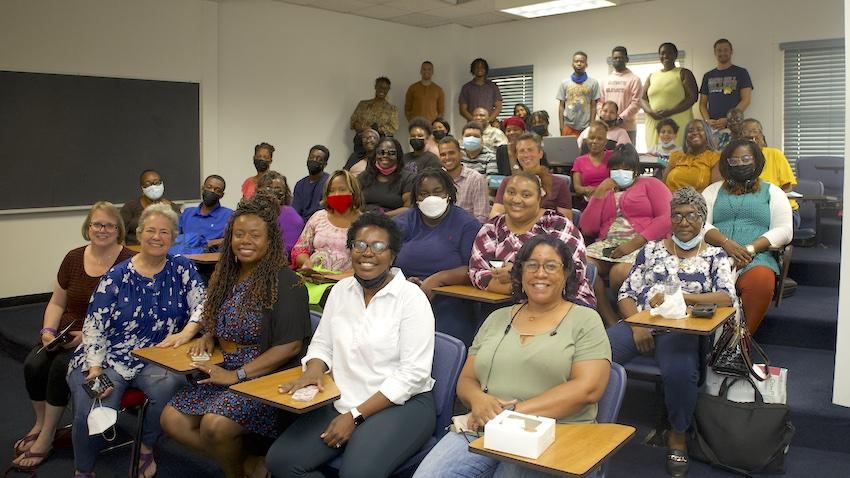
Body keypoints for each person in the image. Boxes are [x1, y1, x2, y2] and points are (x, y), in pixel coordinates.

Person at [413, 235, 612, 478]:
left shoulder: (585, 320)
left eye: (551, 266)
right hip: (484, 424)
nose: (540, 273)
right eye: (532, 265)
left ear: (567, 274)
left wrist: (513, 413)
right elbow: (467, 380)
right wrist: (478, 401)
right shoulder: (497, 318)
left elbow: (588, 389)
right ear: (520, 273)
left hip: (556, 431)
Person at [265, 213, 436, 478]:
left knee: (356, 474)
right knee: (280, 462)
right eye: (359, 245)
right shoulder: (342, 290)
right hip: (343, 395)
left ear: (392, 255)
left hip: (401, 404)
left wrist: (355, 416)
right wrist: (314, 369)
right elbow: (322, 342)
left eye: (378, 246)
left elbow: (413, 374)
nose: (367, 253)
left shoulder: (411, 298)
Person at [162, 193, 311, 478]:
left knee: (214, 426)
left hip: (262, 377)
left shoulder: (287, 283)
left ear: (270, 241)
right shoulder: (227, 275)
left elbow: (290, 346)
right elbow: (221, 319)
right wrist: (210, 335)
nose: (245, 241)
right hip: (224, 368)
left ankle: (234, 474)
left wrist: (237, 375)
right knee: (172, 420)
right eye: (239, 234)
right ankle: (248, 466)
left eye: (255, 235)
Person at [67, 203, 206, 478]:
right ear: (139, 235)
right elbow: (94, 325)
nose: (157, 237)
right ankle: (83, 470)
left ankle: (146, 448)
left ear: (173, 237)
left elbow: (203, 304)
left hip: (157, 355)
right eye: (151, 231)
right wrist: (95, 370)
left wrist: (187, 332)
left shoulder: (182, 268)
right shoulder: (117, 276)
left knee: (170, 386)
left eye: (164, 232)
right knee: (91, 408)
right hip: (106, 356)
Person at [611, 187, 736, 477]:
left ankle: (677, 435)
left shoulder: (715, 256)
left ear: (702, 219)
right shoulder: (651, 249)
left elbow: (725, 297)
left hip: (682, 328)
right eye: (677, 215)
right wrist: (639, 324)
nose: (683, 221)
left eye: (691, 215)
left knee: (680, 371)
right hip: (641, 323)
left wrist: (682, 298)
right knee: (596, 354)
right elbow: (626, 293)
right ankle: (590, 420)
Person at [10, 203, 135, 474]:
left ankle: (46, 438)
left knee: (58, 368)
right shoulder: (73, 257)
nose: (102, 230)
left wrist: (85, 338)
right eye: (96, 224)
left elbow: (128, 315)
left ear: (118, 231)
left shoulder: (129, 262)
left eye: (109, 226)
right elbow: (56, 303)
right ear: (87, 227)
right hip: (65, 333)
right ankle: (41, 423)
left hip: (102, 338)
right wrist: (47, 332)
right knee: (34, 363)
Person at [703, 139, 793, 333]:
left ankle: (740, 343)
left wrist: (748, 249)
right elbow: (700, 224)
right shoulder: (712, 191)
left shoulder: (773, 192)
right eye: (734, 161)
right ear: (726, 164)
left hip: (755, 256)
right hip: (713, 255)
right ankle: (705, 340)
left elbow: (785, 230)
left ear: (757, 161)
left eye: (746, 159)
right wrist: (725, 244)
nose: (741, 164)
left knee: (761, 280)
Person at [469, 172, 594, 307]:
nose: (516, 200)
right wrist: (520, 288)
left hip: (566, 302)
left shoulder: (557, 225)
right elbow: (478, 274)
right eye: (510, 192)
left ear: (539, 199)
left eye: (526, 195)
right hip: (507, 305)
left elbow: (571, 273)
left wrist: (517, 274)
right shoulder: (492, 228)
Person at [580, 145, 672, 326]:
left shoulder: (651, 184)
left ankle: (628, 316)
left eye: (626, 169)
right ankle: (609, 319)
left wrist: (634, 243)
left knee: (619, 272)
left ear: (636, 171)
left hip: (642, 243)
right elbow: (587, 227)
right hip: (608, 243)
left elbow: (667, 217)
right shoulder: (605, 190)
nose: (620, 172)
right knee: (584, 266)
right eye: (615, 168)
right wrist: (598, 194)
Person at [394, 169, 482, 345]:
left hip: (450, 304)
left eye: (437, 192)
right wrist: (401, 282)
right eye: (424, 194)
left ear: (448, 192)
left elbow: (474, 270)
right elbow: (383, 262)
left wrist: (438, 280)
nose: (430, 198)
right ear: (416, 198)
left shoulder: (467, 224)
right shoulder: (403, 222)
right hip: (402, 299)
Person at [291, 170, 363, 305]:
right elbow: (300, 248)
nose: (336, 194)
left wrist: (331, 278)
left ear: (353, 192)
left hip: (344, 283)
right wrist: (306, 263)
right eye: (332, 190)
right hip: (312, 277)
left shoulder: (364, 223)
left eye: (342, 189)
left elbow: (365, 263)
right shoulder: (318, 217)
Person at [491, 132, 573, 219]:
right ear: (517, 156)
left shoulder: (559, 183)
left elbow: (566, 221)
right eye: (521, 151)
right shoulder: (507, 182)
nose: (526, 155)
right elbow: (495, 214)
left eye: (530, 150)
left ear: (540, 154)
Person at [742, 118, 800, 229]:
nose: (750, 135)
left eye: (755, 131)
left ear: (761, 135)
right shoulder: (739, 160)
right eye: (746, 132)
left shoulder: (775, 154)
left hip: (782, 211)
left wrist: (766, 207)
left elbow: (787, 188)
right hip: (751, 211)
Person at [642, 42, 699, 148]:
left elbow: (692, 98)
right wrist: (650, 111)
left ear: (675, 55)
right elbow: (642, 99)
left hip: (678, 123)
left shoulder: (684, 73)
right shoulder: (652, 76)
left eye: (669, 53)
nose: (665, 56)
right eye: (662, 53)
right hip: (654, 123)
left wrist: (671, 111)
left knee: (679, 158)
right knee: (656, 160)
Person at [699, 39, 754, 131]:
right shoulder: (708, 76)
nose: (722, 53)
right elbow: (702, 104)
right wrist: (707, 120)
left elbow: (746, 100)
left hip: (734, 126)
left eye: (726, 50)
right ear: (715, 53)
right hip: (713, 127)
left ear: (731, 51)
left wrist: (729, 119)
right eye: (719, 50)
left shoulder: (741, 73)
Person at [173, 175, 233, 255]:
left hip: (213, 262)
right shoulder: (187, 213)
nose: (212, 191)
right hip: (186, 260)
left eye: (217, 190)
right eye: (209, 187)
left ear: (221, 195)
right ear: (203, 188)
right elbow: (174, 238)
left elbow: (234, 239)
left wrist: (211, 243)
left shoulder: (228, 215)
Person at [121, 169, 182, 245]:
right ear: (142, 188)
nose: (153, 186)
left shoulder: (173, 208)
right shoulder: (130, 208)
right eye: (148, 184)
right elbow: (119, 235)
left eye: (156, 182)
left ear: (162, 184)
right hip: (135, 250)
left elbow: (179, 235)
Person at [358, 136, 414, 217]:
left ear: (398, 156)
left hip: (394, 222)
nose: (385, 156)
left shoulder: (408, 178)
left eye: (391, 153)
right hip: (365, 221)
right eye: (381, 152)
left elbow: (408, 209)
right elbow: (354, 204)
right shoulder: (364, 176)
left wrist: (382, 216)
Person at [438, 137, 489, 224]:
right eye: (443, 154)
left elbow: (481, 218)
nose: (447, 157)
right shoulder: (436, 179)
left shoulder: (476, 179)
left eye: (451, 153)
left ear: (461, 154)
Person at [257, 171, 305, 261]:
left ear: (284, 193)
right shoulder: (252, 213)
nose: (272, 192)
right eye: (268, 188)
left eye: (277, 188)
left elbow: (288, 251)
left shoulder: (290, 215)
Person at [664, 119, 721, 192]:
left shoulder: (715, 157)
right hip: (670, 200)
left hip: (698, 201)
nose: (694, 133)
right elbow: (663, 185)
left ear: (707, 134)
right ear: (686, 137)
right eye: (690, 131)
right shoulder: (676, 156)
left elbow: (714, 189)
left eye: (699, 129)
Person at [600, 46, 642, 144]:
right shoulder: (605, 80)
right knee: (607, 157)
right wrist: (603, 115)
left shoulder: (634, 79)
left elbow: (636, 103)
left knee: (627, 158)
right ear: (611, 60)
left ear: (626, 59)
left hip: (628, 128)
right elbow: (600, 102)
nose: (618, 60)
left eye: (621, 58)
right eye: (615, 58)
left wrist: (620, 118)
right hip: (607, 128)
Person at [557, 51, 600, 137]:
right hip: (568, 126)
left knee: (584, 150)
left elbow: (593, 106)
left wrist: (591, 126)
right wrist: (561, 126)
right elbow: (561, 106)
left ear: (586, 64)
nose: (579, 63)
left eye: (582, 61)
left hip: (586, 127)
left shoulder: (593, 83)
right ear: (572, 64)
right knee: (568, 150)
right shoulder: (564, 83)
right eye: (576, 61)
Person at [572, 121, 615, 199]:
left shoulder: (613, 156)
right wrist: (586, 189)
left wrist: (599, 190)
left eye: (599, 139)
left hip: (610, 199)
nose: (594, 141)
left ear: (605, 142)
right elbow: (577, 188)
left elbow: (617, 183)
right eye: (592, 138)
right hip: (588, 200)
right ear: (587, 140)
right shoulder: (579, 161)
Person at [291, 145, 331, 222]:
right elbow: (295, 211)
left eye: (319, 159)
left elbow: (324, 211)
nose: (314, 160)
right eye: (311, 157)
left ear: (325, 164)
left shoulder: (329, 183)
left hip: (320, 224)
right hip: (301, 226)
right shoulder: (300, 184)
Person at [459, 58, 502, 122]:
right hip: (472, 124)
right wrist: (474, 120)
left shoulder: (493, 86)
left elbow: (498, 107)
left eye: (482, 67)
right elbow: (462, 109)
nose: (479, 69)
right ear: (472, 70)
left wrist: (489, 120)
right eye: (477, 67)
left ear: (486, 69)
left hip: (489, 124)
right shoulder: (466, 87)